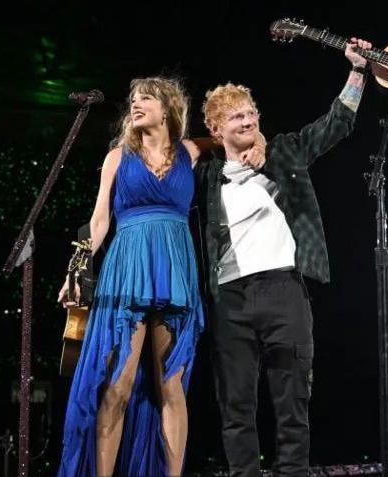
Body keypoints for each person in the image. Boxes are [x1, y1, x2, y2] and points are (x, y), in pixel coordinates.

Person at [55, 76, 263, 477]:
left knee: (171, 385)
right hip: (128, 267)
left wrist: (262, 141)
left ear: (166, 107)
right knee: (118, 384)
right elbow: (99, 221)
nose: (135, 104)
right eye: (132, 99)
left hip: (174, 269)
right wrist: (76, 270)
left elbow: (240, 133)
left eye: (145, 98)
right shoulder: (117, 157)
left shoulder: (189, 151)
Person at [195, 37, 372, 476]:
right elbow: (170, 150)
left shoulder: (284, 152)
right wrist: (208, 145)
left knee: (292, 401)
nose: (249, 120)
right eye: (236, 116)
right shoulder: (206, 175)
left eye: (252, 113)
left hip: (284, 291)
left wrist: (357, 72)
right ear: (216, 129)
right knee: (235, 403)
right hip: (230, 298)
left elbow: (337, 124)